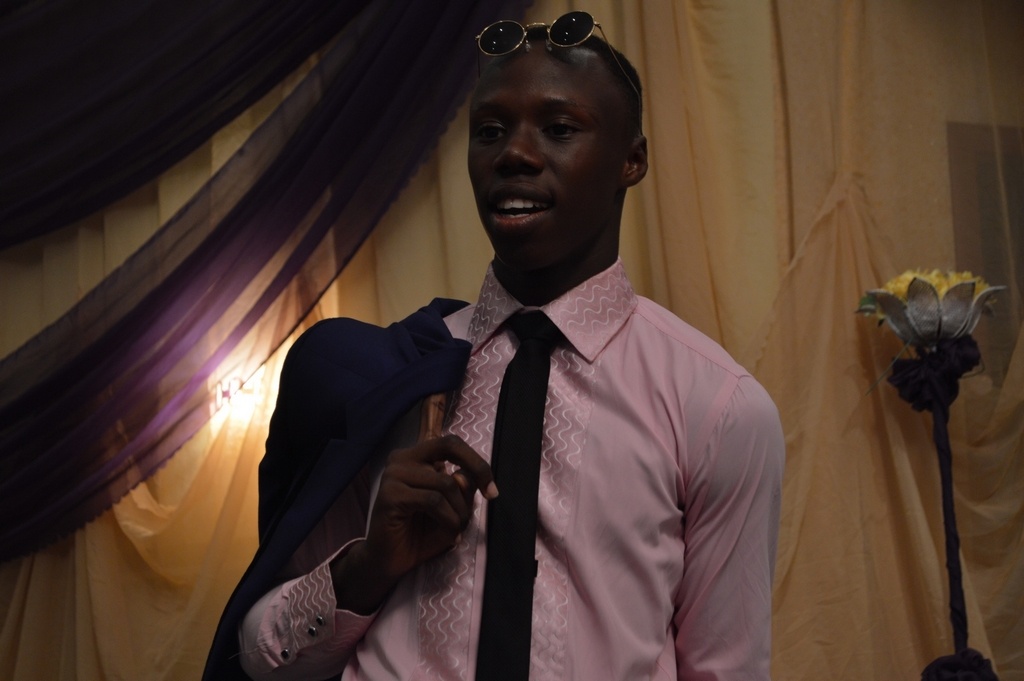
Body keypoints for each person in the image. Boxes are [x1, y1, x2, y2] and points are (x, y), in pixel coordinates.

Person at [205, 12, 785, 681]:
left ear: (632, 160)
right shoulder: (387, 377)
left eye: (559, 128)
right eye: (489, 131)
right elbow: (261, 658)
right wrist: (366, 567)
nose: (514, 154)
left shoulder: (718, 408)